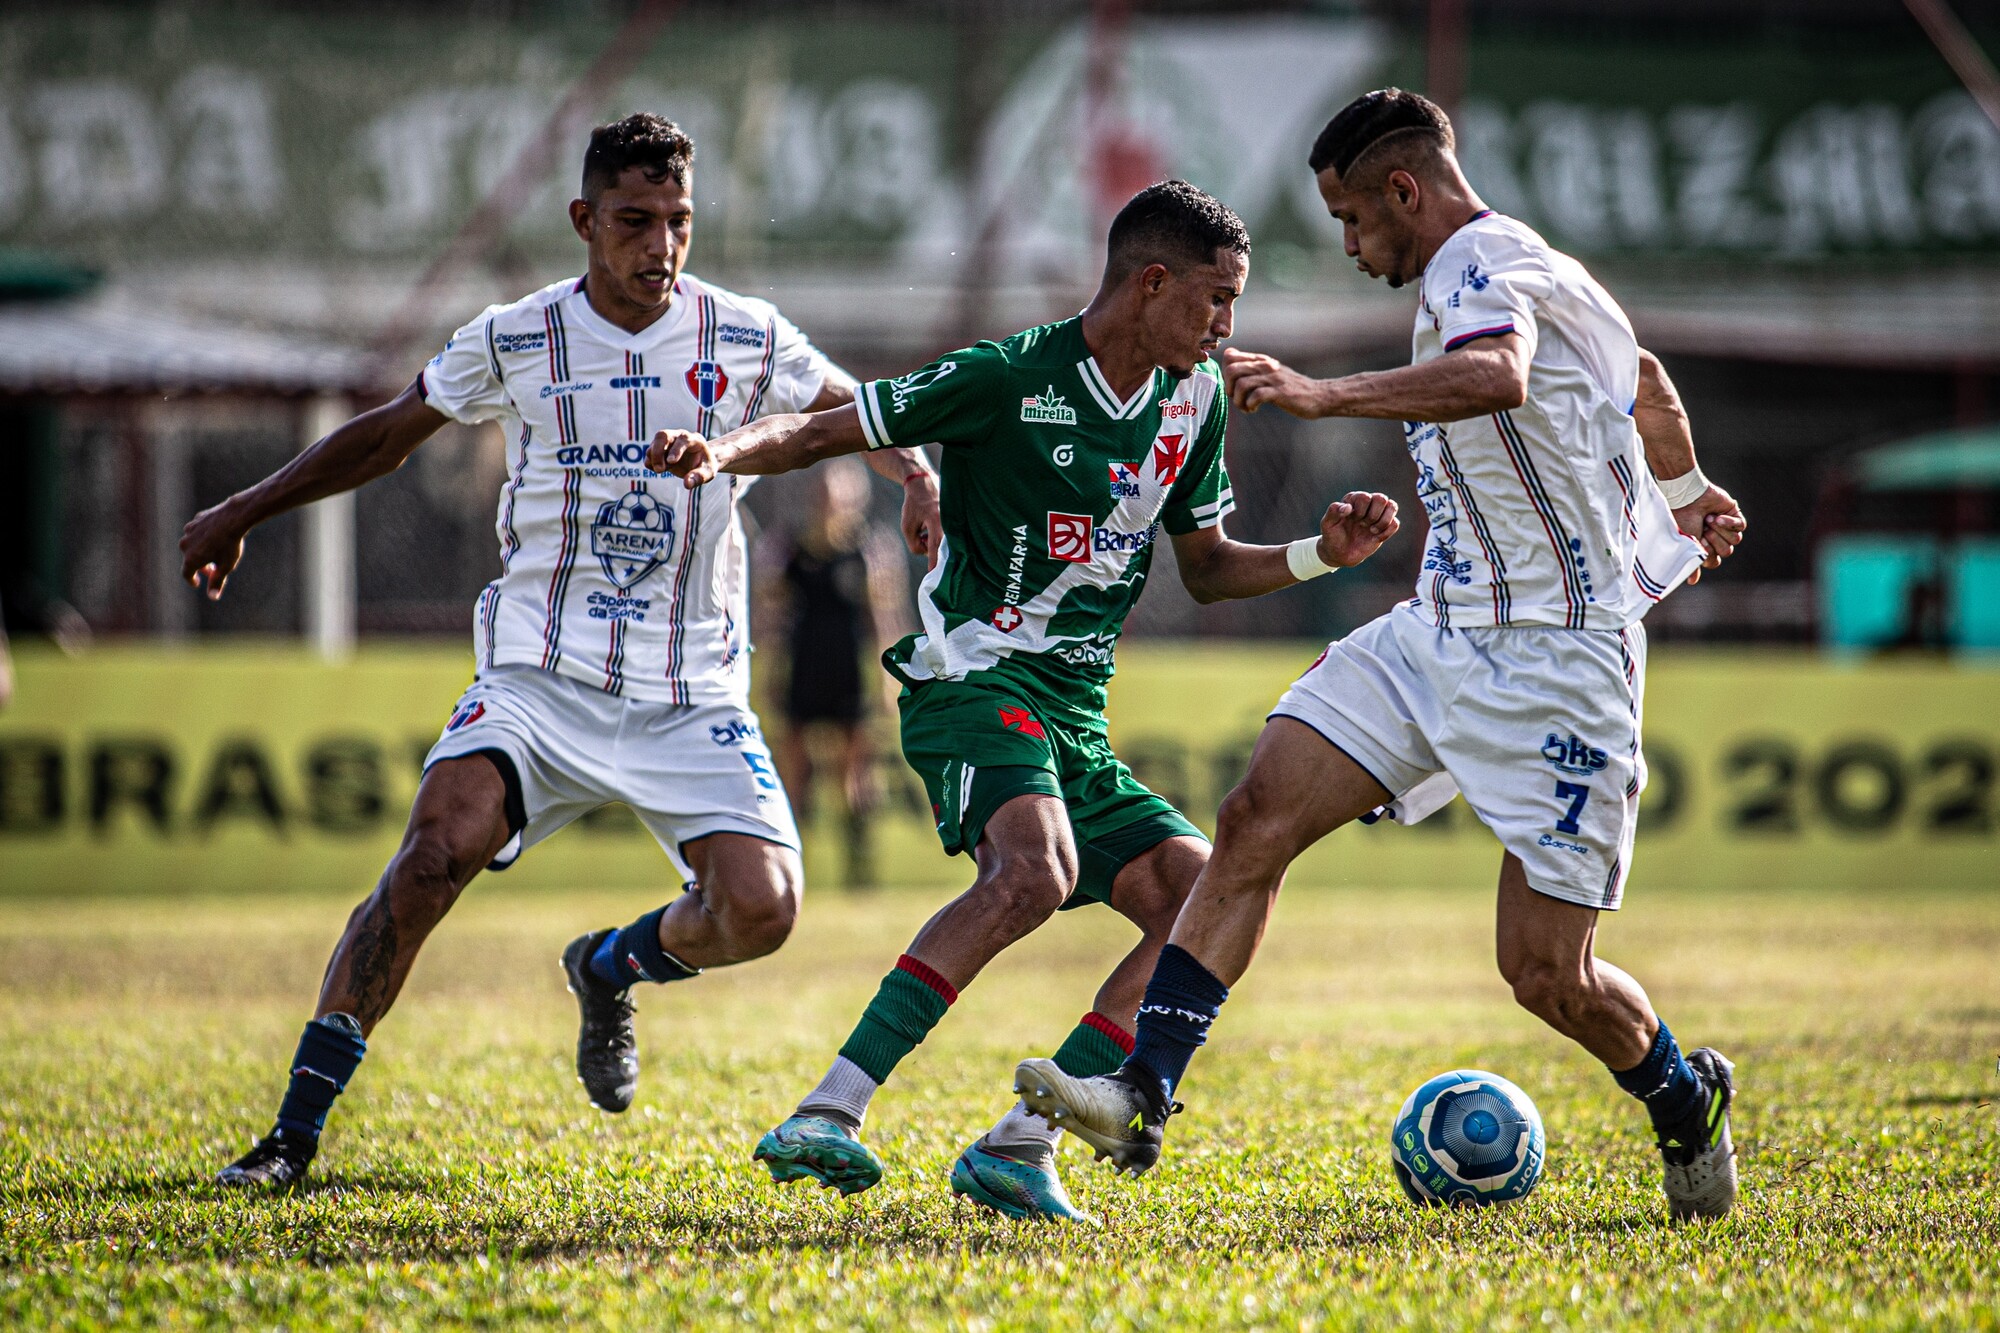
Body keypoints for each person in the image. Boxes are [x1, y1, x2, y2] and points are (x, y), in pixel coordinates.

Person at [1012, 90, 1750, 1224]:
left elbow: (1499, 375)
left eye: (1352, 220)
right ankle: (1139, 1088)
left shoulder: (1477, 269)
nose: (1351, 247)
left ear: (1403, 192)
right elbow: (1641, 378)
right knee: (1256, 814)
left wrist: (1320, 393)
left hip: (1559, 661)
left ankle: (1679, 1095)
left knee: (1546, 975)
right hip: (1437, 629)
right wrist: (1689, 493)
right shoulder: (1543, 274)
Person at [179, 113, 941, 1190]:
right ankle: (294, 1133)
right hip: (539, 674)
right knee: (433, 851)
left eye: (677, 221)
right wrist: (245, 507)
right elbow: (389, 434)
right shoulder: (517, 336)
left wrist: (917, 471)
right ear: (584, 220)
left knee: (763, 909)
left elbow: (850, 409)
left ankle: (608, 964)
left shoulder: (744, 334)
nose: (660, 246)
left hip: (689, 691)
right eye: (634, 221)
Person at [650, 179, 1401, 1221]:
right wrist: (719, 454)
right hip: (971, 675)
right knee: (1033, 871)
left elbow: (1211, 566)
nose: (1228, 326)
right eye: (1214, 300)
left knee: (1206, 894)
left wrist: (1321, 552)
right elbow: (827, 429)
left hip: (1073, 714)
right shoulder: (1006, 376)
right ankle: (829, 1109)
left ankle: (1020, 1141)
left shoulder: (1197, 397)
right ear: (1150, 284)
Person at [763, 456, 909, 887]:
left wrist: (888, 679)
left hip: (848, 672)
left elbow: (884, 619)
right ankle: (788, 869)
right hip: (803, 667)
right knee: (793, 774)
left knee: (855, 778)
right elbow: (773, 617)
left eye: (840, 493)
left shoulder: (867, 551)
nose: (831, 501)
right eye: (824, 492)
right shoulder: (790, 548)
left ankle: (858, 870)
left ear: (855, 498)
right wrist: (771, 674)